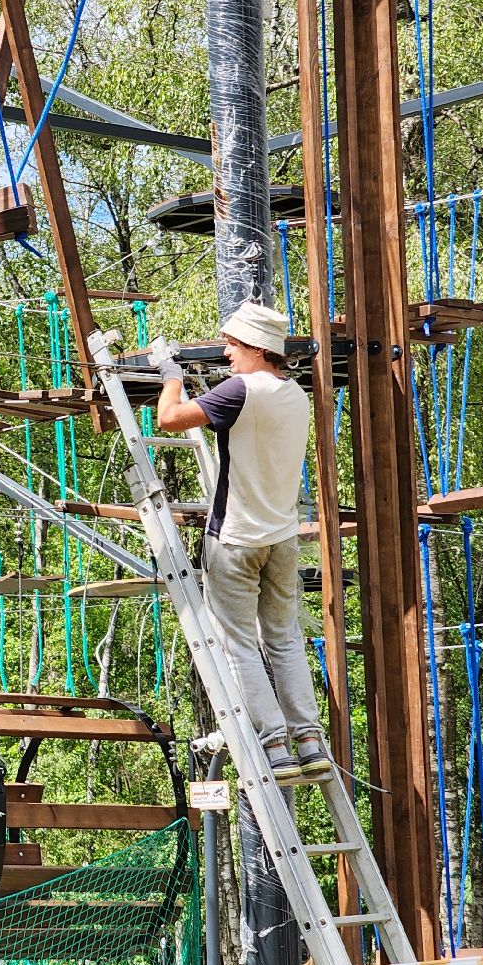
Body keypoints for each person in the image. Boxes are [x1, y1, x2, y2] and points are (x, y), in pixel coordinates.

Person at [150, 301, 328, 781]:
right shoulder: (296, 395)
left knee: (239, 644)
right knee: (285, 638)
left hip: (235, 540)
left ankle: (273, 744)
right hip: (282, 539)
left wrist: (170, 375)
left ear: (255, 347)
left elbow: (168, 419)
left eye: (232, 344)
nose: (227, 353)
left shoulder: (242, 390)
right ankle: (309, 740)